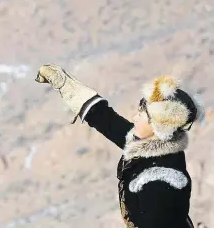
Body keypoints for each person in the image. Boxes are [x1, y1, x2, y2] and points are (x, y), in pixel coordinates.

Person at [35, 64, 205, 228]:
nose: (135, 116)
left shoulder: (160, 185)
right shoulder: (152, 149)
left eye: (142, 112)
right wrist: (66, 86)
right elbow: (107, 120)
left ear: (159, 126)